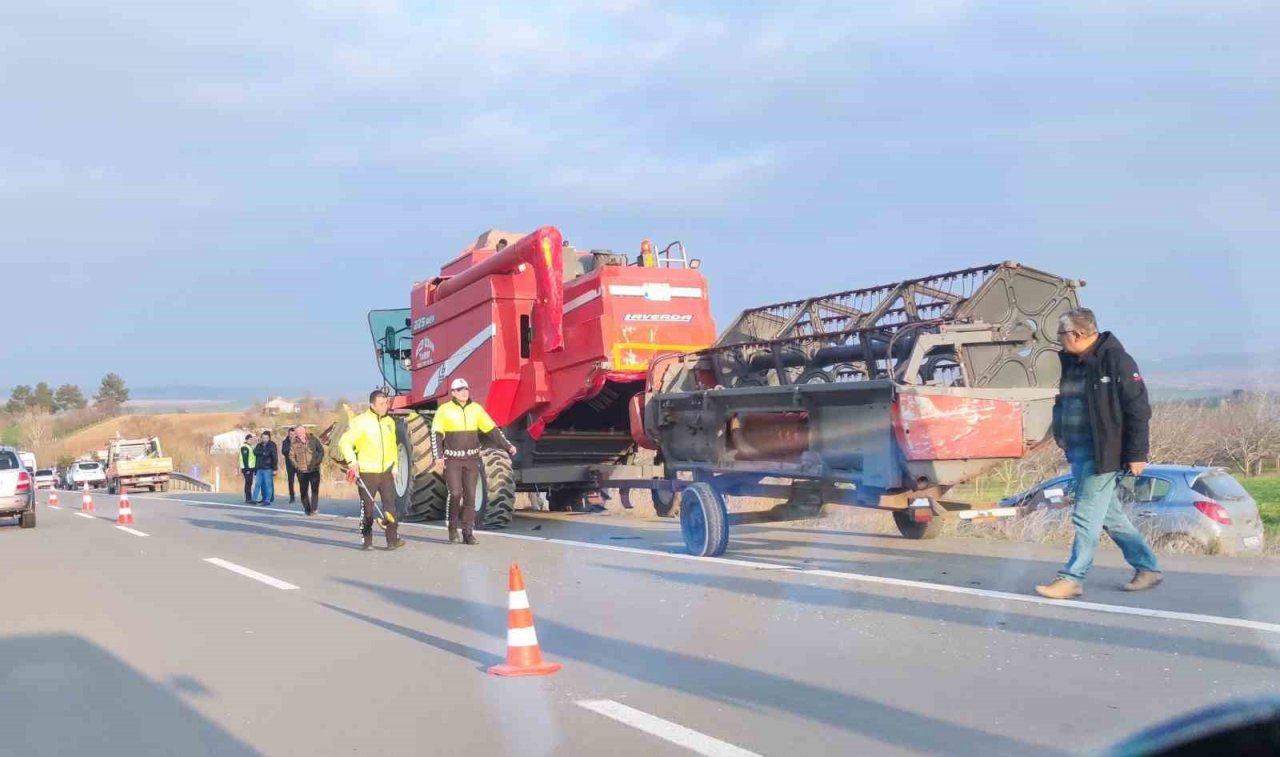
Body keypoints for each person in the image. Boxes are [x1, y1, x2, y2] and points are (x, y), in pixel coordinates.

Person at [1035, 308, 1162, 599]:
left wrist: (1137, 453)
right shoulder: (1072, 362)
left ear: (1076, 335)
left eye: (1061, 333)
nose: (1058, 339)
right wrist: (1052, 435)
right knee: (1110, 515)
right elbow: (1063, 404)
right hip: (1079, 451)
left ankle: (1072, 577)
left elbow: (1138, 409)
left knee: (1085, 515)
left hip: (1104, 453)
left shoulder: (1115, 360)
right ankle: (1148, 568)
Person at [431, 378, 516, 545]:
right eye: (460, 389)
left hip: (471, 459)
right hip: (453, 459)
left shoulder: (476, 409)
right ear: (453, 393)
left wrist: (507, 446)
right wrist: (438, 457)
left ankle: (468, 533)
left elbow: (492, 430)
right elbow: (436, 434)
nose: (464, 392)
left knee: (470, 496)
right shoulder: (444, 410)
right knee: (455, 494)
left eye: (466, 389)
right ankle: (452, 529)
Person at [338, 390, 405, 551]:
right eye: (381, 404)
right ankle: (367, 541)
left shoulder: (389, 421)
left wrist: (395, 467)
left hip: (386, 472)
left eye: (386, 403)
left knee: (390, 507)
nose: (385, 406)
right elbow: (344, 443)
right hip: (367, 472)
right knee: (367, 508)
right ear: (372, 405)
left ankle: (392, 540)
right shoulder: (360, 422)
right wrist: (352, 462)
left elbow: (392, 446)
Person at [288, 425, 325, 515]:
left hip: (314, 469)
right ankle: (307, 509)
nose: (300, 433)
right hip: (302, 471)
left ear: (304, 430)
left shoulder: (313, 439)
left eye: (301, 431)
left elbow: (321, 451)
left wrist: (317, 461)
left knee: (315, 490)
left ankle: (314, 509)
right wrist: (297, 466)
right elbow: (291, 456)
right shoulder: (294, 443)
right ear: (296, 433)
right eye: (298, 432)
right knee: (303, 491)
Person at [253, 430, 278, 506]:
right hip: (259, 468)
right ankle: (254, 499)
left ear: (269, 438)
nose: (264, 439)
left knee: (268, 485)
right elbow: (255, 452)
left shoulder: (272, 445)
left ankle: (267, 500)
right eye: (263, 438)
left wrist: (275, 468)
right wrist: (263, 453)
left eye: (266, 438)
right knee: (258, 484)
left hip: (268, 468)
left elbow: (274, 457)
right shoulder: (259, 445)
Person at [239, 434, 257, 504]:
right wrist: (247, 469)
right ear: (247, 440)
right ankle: (248, 498)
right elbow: (245, 459)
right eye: (250, 439)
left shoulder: (250, 447)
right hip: (247, 468)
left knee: (250, 483)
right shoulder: (244, 447)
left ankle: (249, 498)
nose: (252, 441)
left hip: (251, 467)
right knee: (248, 483)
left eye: (252, 439)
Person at [282, 427, 297, 504]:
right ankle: (292, 497)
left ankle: (304, 496)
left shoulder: (298, 441)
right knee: (291, 481)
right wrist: (290, 447)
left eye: (293, 434)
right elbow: (283, 451)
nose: (292, 435)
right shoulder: (285, 442)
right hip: (290, 465)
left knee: (302, 481)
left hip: (298, 464)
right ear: (288, 434)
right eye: (291, 434)